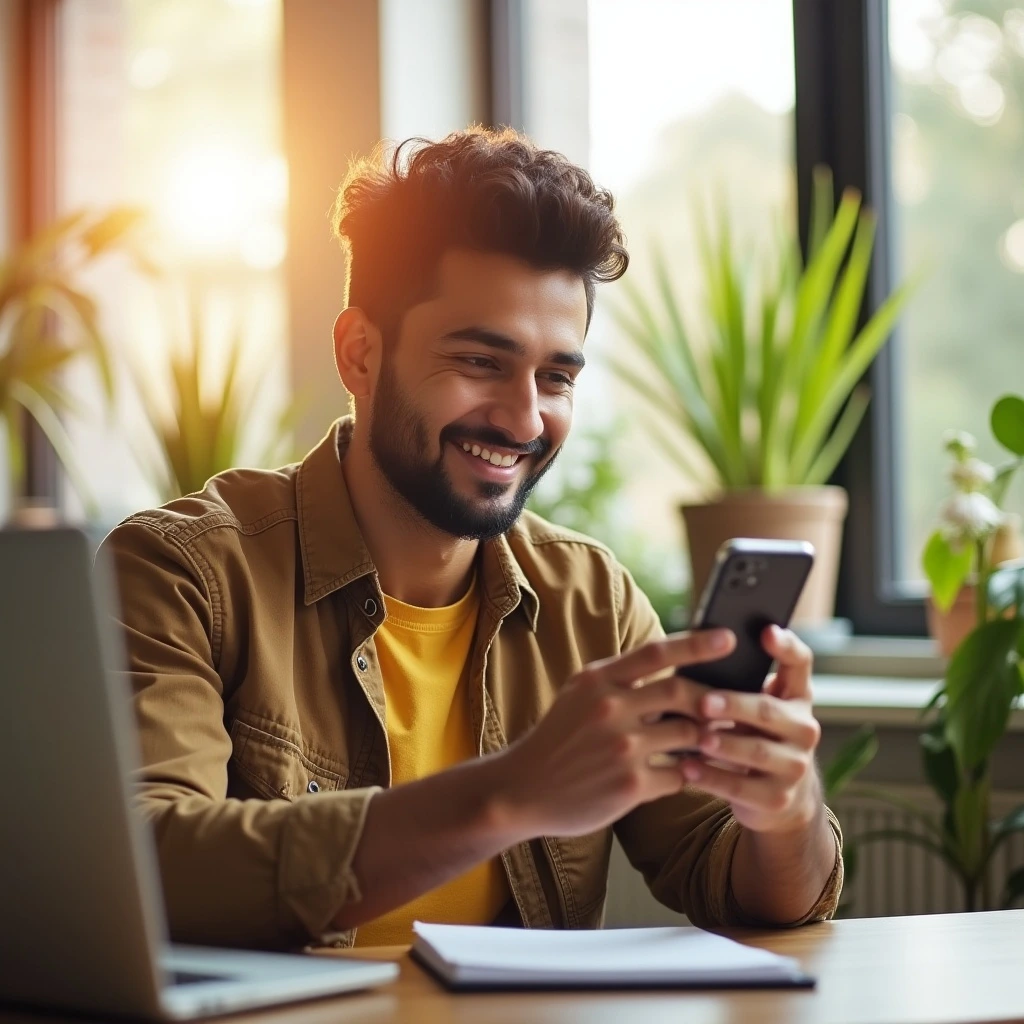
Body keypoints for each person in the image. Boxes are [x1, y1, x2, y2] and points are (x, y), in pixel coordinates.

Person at [101, 126, 842, 951]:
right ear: (359, 353)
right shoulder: (181, 574)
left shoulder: (590, 602)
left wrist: (786, 810)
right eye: (482, 362)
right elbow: (144, 869)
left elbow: (745, 888)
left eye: (556, 376)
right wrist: (511, 794)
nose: (526, 419)